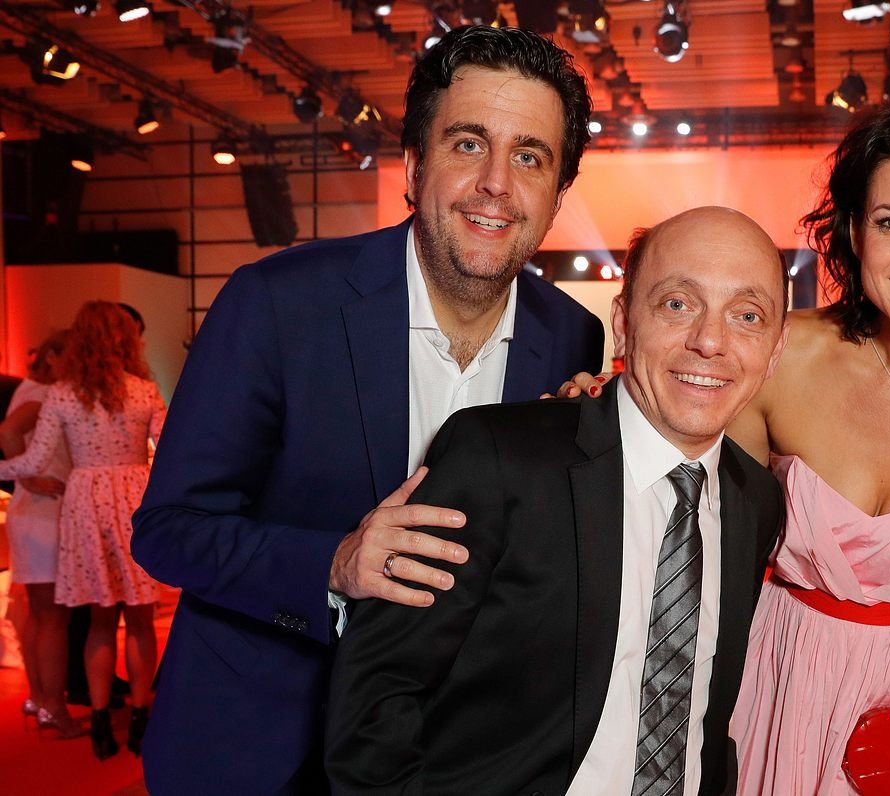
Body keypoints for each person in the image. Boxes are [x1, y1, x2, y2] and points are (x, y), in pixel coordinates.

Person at [559, 93, 890, 793]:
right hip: (781, 683)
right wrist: (601, 407)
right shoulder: (782, 357)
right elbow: (689, 502)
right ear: (855, 232)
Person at [131, 25, 605, 795]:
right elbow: (168, 530)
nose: (496, 182)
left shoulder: (571, 337)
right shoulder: (277, 302)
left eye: (529, 156)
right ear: (414, 166)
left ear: (556, 195)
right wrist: (332, 563)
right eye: (467, 144)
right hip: (260, 747)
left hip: (445, 758)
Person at [324, 206, 789, 795]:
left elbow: (703, 717)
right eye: (677, 304)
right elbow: (377, 702)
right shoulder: (497, 460)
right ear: (623, 322)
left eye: (747, 316)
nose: (710, 341)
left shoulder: (756, 500)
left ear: (775, 349)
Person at [0, 302, 167, 760]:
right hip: (133, 501)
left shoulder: (63, 395)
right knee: (140, 622)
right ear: (127, 340)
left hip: (86, 504)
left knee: (99, 621)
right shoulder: (143, 390)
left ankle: (99, 722)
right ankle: (139, 717)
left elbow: (35, 459)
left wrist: (2, 469)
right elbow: (171, 449)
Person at [0, 331, 82, 738]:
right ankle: (55, 707)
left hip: (32, 511)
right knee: (53, 617)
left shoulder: (32, 390)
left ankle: (40, 697)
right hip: (43, 510)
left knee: (40, 613)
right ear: (52, 356)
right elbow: (9, 430)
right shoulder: (46, 395)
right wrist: (29, 477)